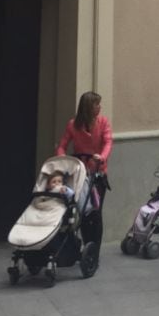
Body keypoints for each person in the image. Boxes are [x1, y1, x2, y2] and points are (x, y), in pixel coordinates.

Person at [56, 91, 113, 248]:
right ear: (88, 107)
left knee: (96, 212)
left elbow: (108, 142)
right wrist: (62, 157)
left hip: (98, 173)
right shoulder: (73, 125)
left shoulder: (103, 123)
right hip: (79, 174)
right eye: (97, 104)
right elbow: (62, 145)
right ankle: (86, 243)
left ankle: (95, 249)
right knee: (81, 210)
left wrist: (102, 156)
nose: (100, 107)